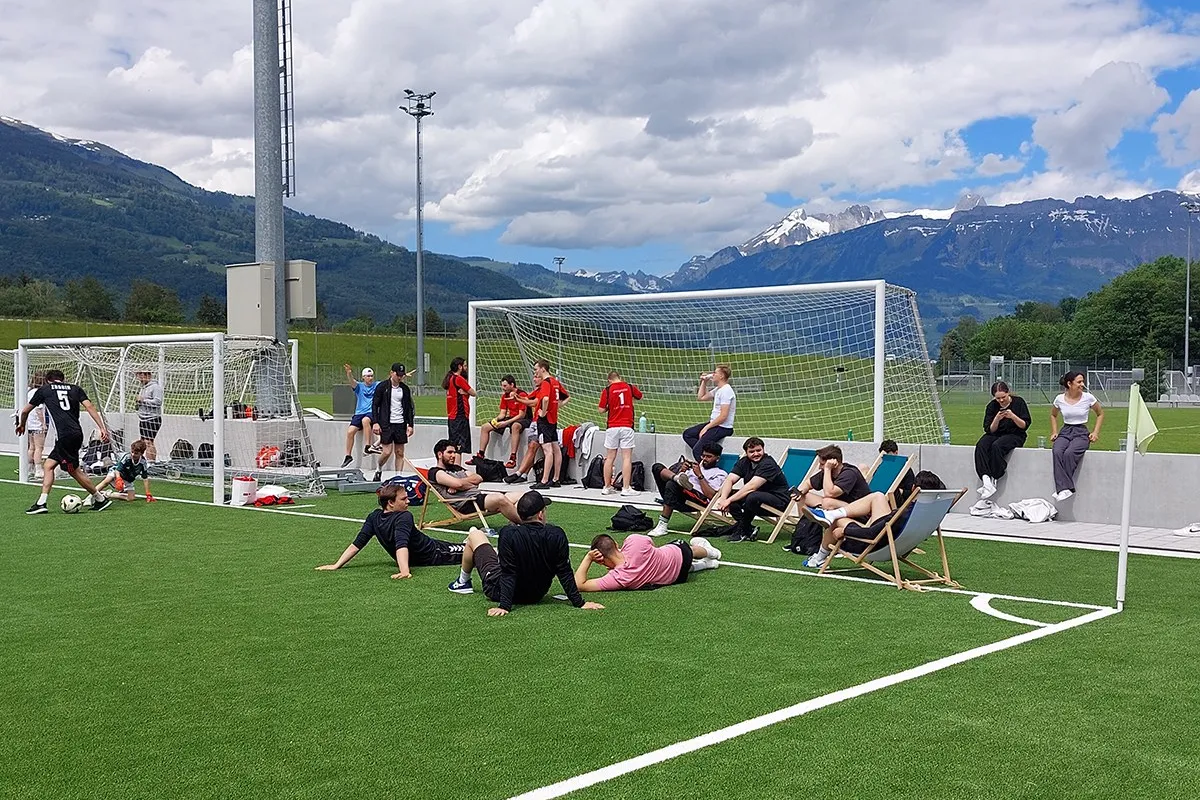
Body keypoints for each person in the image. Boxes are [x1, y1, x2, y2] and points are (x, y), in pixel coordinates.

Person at [446, 490, 604, 616]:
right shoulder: (556, 534)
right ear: (540, 514)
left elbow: (508, 572)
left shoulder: (508, 533)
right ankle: (463, 581)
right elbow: (564, 571)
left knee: (475, 534)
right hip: (536, 595)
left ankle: (462, 582)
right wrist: (580, 603)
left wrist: (505, 606)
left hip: (498, 590)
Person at [316, 483, 465, 578]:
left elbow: (402, 544)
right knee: (468, 549)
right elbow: (359, 543)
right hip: (434, 553)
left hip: (434, 548)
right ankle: (472, 541)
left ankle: (475, 542)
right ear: (391, 503)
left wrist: (404, 570)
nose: (408, 501)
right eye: (403, 499)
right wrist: (337, 565)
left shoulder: (398, 516)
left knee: (471, 550)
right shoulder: (380, 517)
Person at [803, 471, 946, 569]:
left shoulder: (905, 513)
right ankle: (832, 514)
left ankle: (819, 558)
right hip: (896, 544)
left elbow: (871, 533)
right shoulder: (928, 511)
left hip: (873, 545)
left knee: (837, 521)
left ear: (914, 488)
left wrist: (844, 531)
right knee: (878, 496)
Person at [16, 368, 112, 514]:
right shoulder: (75, 389)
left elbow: (25, 411)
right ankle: (42, 502)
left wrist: (22, 424)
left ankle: (99, 498)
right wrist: (102, 427)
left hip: (64, 435)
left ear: (48, 380)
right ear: (63, 379)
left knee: (73, 470)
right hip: (75, 433)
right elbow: (90, 406)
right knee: (49, 465)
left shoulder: (44, 390)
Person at [573, 533, 722, 592]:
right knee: (688, 549)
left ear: (600, 560)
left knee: (669, 566)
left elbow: (579, 585)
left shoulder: (620, 577)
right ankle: (711, 553)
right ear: (616, 544)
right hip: (679, 555)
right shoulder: (633, 540)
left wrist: (588, 558)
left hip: (677, 578)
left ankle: (707, 562)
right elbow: (651, 542)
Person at [712, 437, 790, 542]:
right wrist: (724, 498)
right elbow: (729, 479)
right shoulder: (744, 462)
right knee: (734, 497)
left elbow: (752, 486)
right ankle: (748, 528)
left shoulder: (768, 464)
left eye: (759, 450)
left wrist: (728, 500)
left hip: (779, 500)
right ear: (746, 453)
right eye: (752, 451)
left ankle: (742, 530)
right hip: (758, 499)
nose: (756, 454)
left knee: (750, 496)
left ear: (763, 449)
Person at [427, 439, 524, 524]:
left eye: (454, 452)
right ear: (440, 454)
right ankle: (526, 524)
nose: (453, 455)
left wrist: (458, 484)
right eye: (450, 452)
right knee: (500, 498)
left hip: (478, 497)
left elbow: (478, 478)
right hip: (467, 503)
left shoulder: (456, 468)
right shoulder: (435, 472)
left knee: (520, 495)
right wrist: (460, 484)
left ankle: (514, 523)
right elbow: (459, 484)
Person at [648, 442, 728, 537]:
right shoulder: (695, 467)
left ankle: (663, 525)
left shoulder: (720, 474)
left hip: (698, 499)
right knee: (657, 467)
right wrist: (682, 470)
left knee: (672, 484)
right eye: (703, 456)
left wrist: (699, 475)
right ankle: (676, 478)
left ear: (717, 458)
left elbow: (711, 495)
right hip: (678, 493)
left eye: (709, 457)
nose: (704, 459)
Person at [1049, 371, 1104, 501]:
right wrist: (1054, 431)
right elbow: (1053, 415)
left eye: (1082, 381)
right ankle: (1066, 488)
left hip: (1081, 432)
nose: (1082, 384)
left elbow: (1100, 414)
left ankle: (1063, 488)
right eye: (1079, 382)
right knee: (1057, 451)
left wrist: (1095, 432)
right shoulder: (1059, 399)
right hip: (1066, 430)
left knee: (1070, 453)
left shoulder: (1088, 398)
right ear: (1069, 383)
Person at [973, 381, 1031, 499]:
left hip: (1015, 434)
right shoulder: (991, 406)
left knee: (997, 446)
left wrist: (1012, 416)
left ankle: (995, 475)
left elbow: (1024, 425)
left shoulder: (1019, 402)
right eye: (997, 398)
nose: (1001, 400)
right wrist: (997, 418)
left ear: (1008, 393)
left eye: (1003, 397)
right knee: (981, 445)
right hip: (996, 433)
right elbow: (990, 429)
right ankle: (985, 479)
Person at [516, 360, 564, 490]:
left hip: (545, 420)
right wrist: (556, 407)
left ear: (543, 369)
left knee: (548, 451)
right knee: (556, 448)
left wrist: (543, 412)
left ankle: (544, 480)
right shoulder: (555, 382)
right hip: (553, 420)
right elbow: (565, 397)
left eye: (536, 369)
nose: (535, 372)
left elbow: (546, 399)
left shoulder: (546, 383)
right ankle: (556, 479)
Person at [599, 370, 643, 497]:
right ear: (620, 377)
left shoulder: (607, 390)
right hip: (626, 425)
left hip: (612, 426)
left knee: (610, 457)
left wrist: (610, 406)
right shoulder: (629, 387)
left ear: (609, 380)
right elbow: (640, 396)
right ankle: (626, 487)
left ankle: (607, 486)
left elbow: (601, 409)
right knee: (627, 457)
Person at [370, 362, 415, 482]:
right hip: (386, 423)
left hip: (400, 423)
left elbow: (409, 408)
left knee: (399, 452)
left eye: (402, 375)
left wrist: (410, 425)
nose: (400, 377)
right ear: (391, 373)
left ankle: (398, 477)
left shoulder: (404, 389)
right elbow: (375, 405)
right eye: (398, 374)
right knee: (387, 451)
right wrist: (375, 422)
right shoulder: (382, 387)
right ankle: (379, 468)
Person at [470, 375, 528, 468]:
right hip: (511, 418)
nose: (503, 388)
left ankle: (512, 458)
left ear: (512, 385)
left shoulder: (522, 395)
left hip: (524, 419)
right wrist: (496, 420)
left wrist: (506, 423)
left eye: (505, 386)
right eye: (502, 386)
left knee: (515, 426)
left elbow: (521, 415)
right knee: (485, 427)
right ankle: (480, 454)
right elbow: (502, 413)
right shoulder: (505, 396)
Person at [791, 445, 871, 512]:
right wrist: (799, 492)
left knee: (828, 502)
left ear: (834, 464)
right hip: (841, 506)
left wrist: (827, 469)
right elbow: (807, 483)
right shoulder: (827, 473)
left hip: (859, 509)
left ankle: (821, 519)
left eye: (822, 464)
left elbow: (830, 493)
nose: (819, 467)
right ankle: (803, 528)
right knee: (804, 497)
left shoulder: (849, 473)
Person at [683, 365, 735, 461]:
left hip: (722, 427)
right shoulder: (718, 390)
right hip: (715, 424)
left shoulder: (726, 391)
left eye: (715, 373)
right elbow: (701, 397)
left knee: (697, 451)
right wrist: (704, 382)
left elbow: (723, 416)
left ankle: (707, 468)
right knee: (688, 434)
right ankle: (708, 454)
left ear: (722, 376)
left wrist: (706, 428)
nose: (713, 375)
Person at [341, 364, 379, 468]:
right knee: (350, 431)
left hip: (371, 412)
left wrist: (402, 376)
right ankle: (348, 455)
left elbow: (389, 382)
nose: (370, 378)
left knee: (366, 421)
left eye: (371, 376)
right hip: (359, 412)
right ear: (363, 377)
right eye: (368, 376)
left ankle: (368, 446)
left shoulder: (376, 385)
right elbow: (352, 382)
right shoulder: (360, 387)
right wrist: (349, 373)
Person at [442, 357, 475, 455]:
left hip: (452, 415)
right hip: (460, 415)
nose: (466, 368)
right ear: (459, 367)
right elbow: (473, 393)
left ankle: (454, 466)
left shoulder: (450, 378)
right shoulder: (458, 379)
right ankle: (456, 467)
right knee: (459, 446)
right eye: (464, 365)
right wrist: (466, 392)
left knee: (453, 443)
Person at [870, 439, 917, 507]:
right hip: (880, 497)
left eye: (890, 457)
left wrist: (900, 491)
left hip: (897, 501)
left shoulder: (906, 469)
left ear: (896, 453)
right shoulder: (881, 468)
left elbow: (910, 492)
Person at [133, 369, 164, 462]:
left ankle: (151, 463)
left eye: (141, 375)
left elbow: (158, 402)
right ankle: (143, 462)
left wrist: (143, 400)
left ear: (147, 375)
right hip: (143, 418)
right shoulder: (143, 388)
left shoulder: (155, 387)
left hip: (152, 419)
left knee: (148, 442)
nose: (139, 378)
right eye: (138, 375)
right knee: (143, 442)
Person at [24, 370, 47, 480]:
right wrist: (43, 424)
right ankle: (38, 469)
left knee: (32, 447)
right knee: (39, 447)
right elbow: (39, 409)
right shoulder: (39, 392)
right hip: (36, 423)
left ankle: (29, 468)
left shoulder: (29, 391)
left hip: (29, 422)